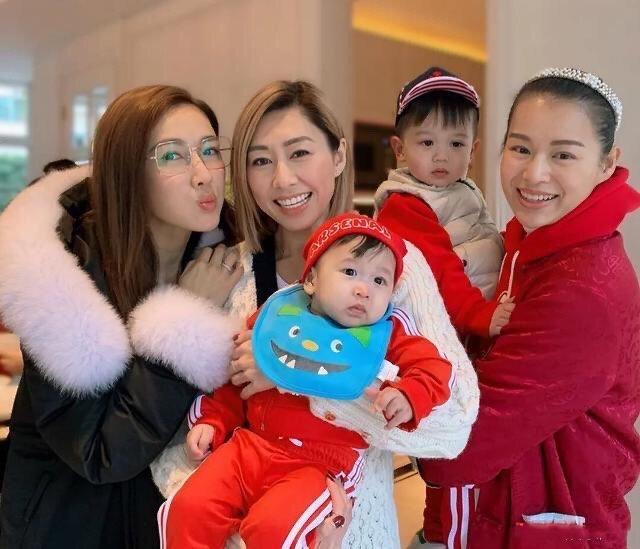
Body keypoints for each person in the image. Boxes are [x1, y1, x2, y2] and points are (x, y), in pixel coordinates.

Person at [151, 80, 479, 548]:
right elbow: (173, 443)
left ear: (339, 156)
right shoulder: (227, 275)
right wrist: (241, 534)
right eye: (261, 161)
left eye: (300, 153)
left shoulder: (391, 268)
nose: (283, 179)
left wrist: (289, 374)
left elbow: (453, 427)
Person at [0, 85, 245, 548]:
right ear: (129, 171)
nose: (203, 174)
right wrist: (184, 319)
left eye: (210, 150)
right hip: (69, 527)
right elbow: (100, 451)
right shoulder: (59, 276)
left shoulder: (228, 257)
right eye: (172, 156)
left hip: (165, 523)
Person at [418, 68, 640, 548]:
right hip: (506, 511)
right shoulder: (529, 244)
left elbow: (459, 448)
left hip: (548, 525)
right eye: (520, 148)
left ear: (607, 163)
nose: (534, 173)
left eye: (563, 154)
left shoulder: (581, 287)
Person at [163, 213, 453, 548]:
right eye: (350, 272)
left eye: (379, 281)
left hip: (318, 468)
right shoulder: (279, 316)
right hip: (249, 447)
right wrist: (214, 421)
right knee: (188, 508)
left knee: (273, 527)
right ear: (312, 279)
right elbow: (238, 379)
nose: (364, 290)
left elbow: (434, 368)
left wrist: (410, 394)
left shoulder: (387, 335)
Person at [376, 66, 513, 340]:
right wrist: (478, 314)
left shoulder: (462, 190)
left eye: (456, 144)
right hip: (441, 330)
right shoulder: (405, 204)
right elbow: (438, 268)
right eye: (427, 143)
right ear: (400, 149)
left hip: (476, 317)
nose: (442, 156)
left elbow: (484, 238)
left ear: (472, 151)